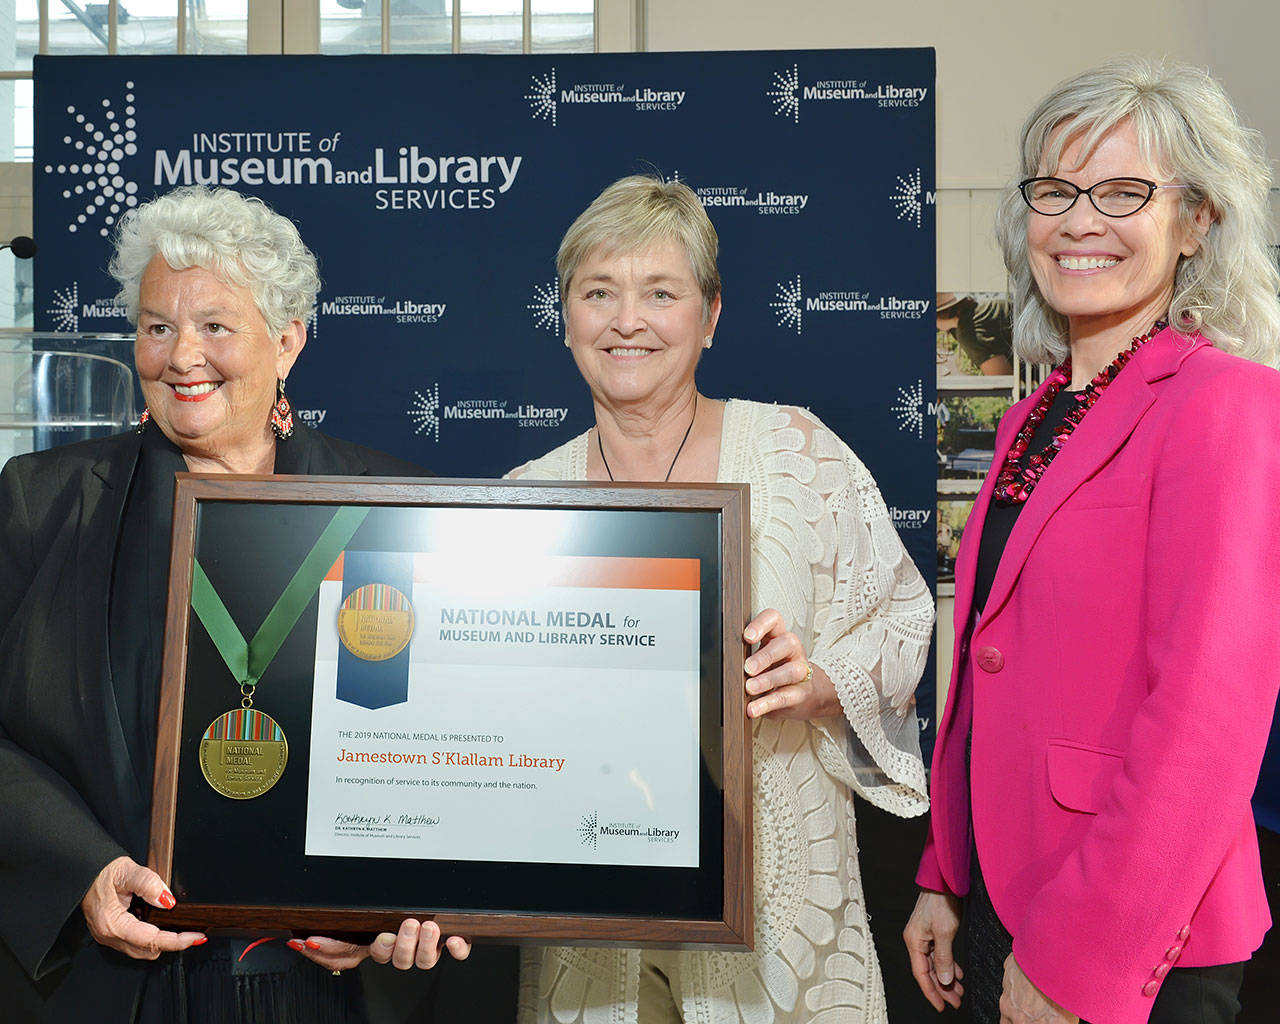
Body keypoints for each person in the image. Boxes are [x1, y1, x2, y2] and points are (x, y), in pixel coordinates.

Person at [0, 186, 468, 1023]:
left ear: (287, 341)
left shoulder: (397, 506)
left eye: (216, 325)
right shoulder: (42, 502)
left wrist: (392, 902)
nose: (182, 356)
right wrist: (79, 872)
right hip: (115, 984)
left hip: (326, 985)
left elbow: (453, 739)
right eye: (156, 327)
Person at [903, 58, 1280, 1024]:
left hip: (1131, 929)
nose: (1080, 221)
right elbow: (989, 668)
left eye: (1124, 192)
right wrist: (947, 869)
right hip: (1004, 888)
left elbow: (1208, 714)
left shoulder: (1227, 406)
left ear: (1197, 222)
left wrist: (1085, 951)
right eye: (1057, 190)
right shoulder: (1036, 419)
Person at [508, 174, 934, 1024]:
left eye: (659, 293)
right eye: (599, 293)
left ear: (709, 316)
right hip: (592, 927)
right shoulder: (525, 496)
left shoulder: (799, 453)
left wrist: (817, 683)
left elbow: (903, 616)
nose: (627, 320)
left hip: (779, 915)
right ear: (566, 316)